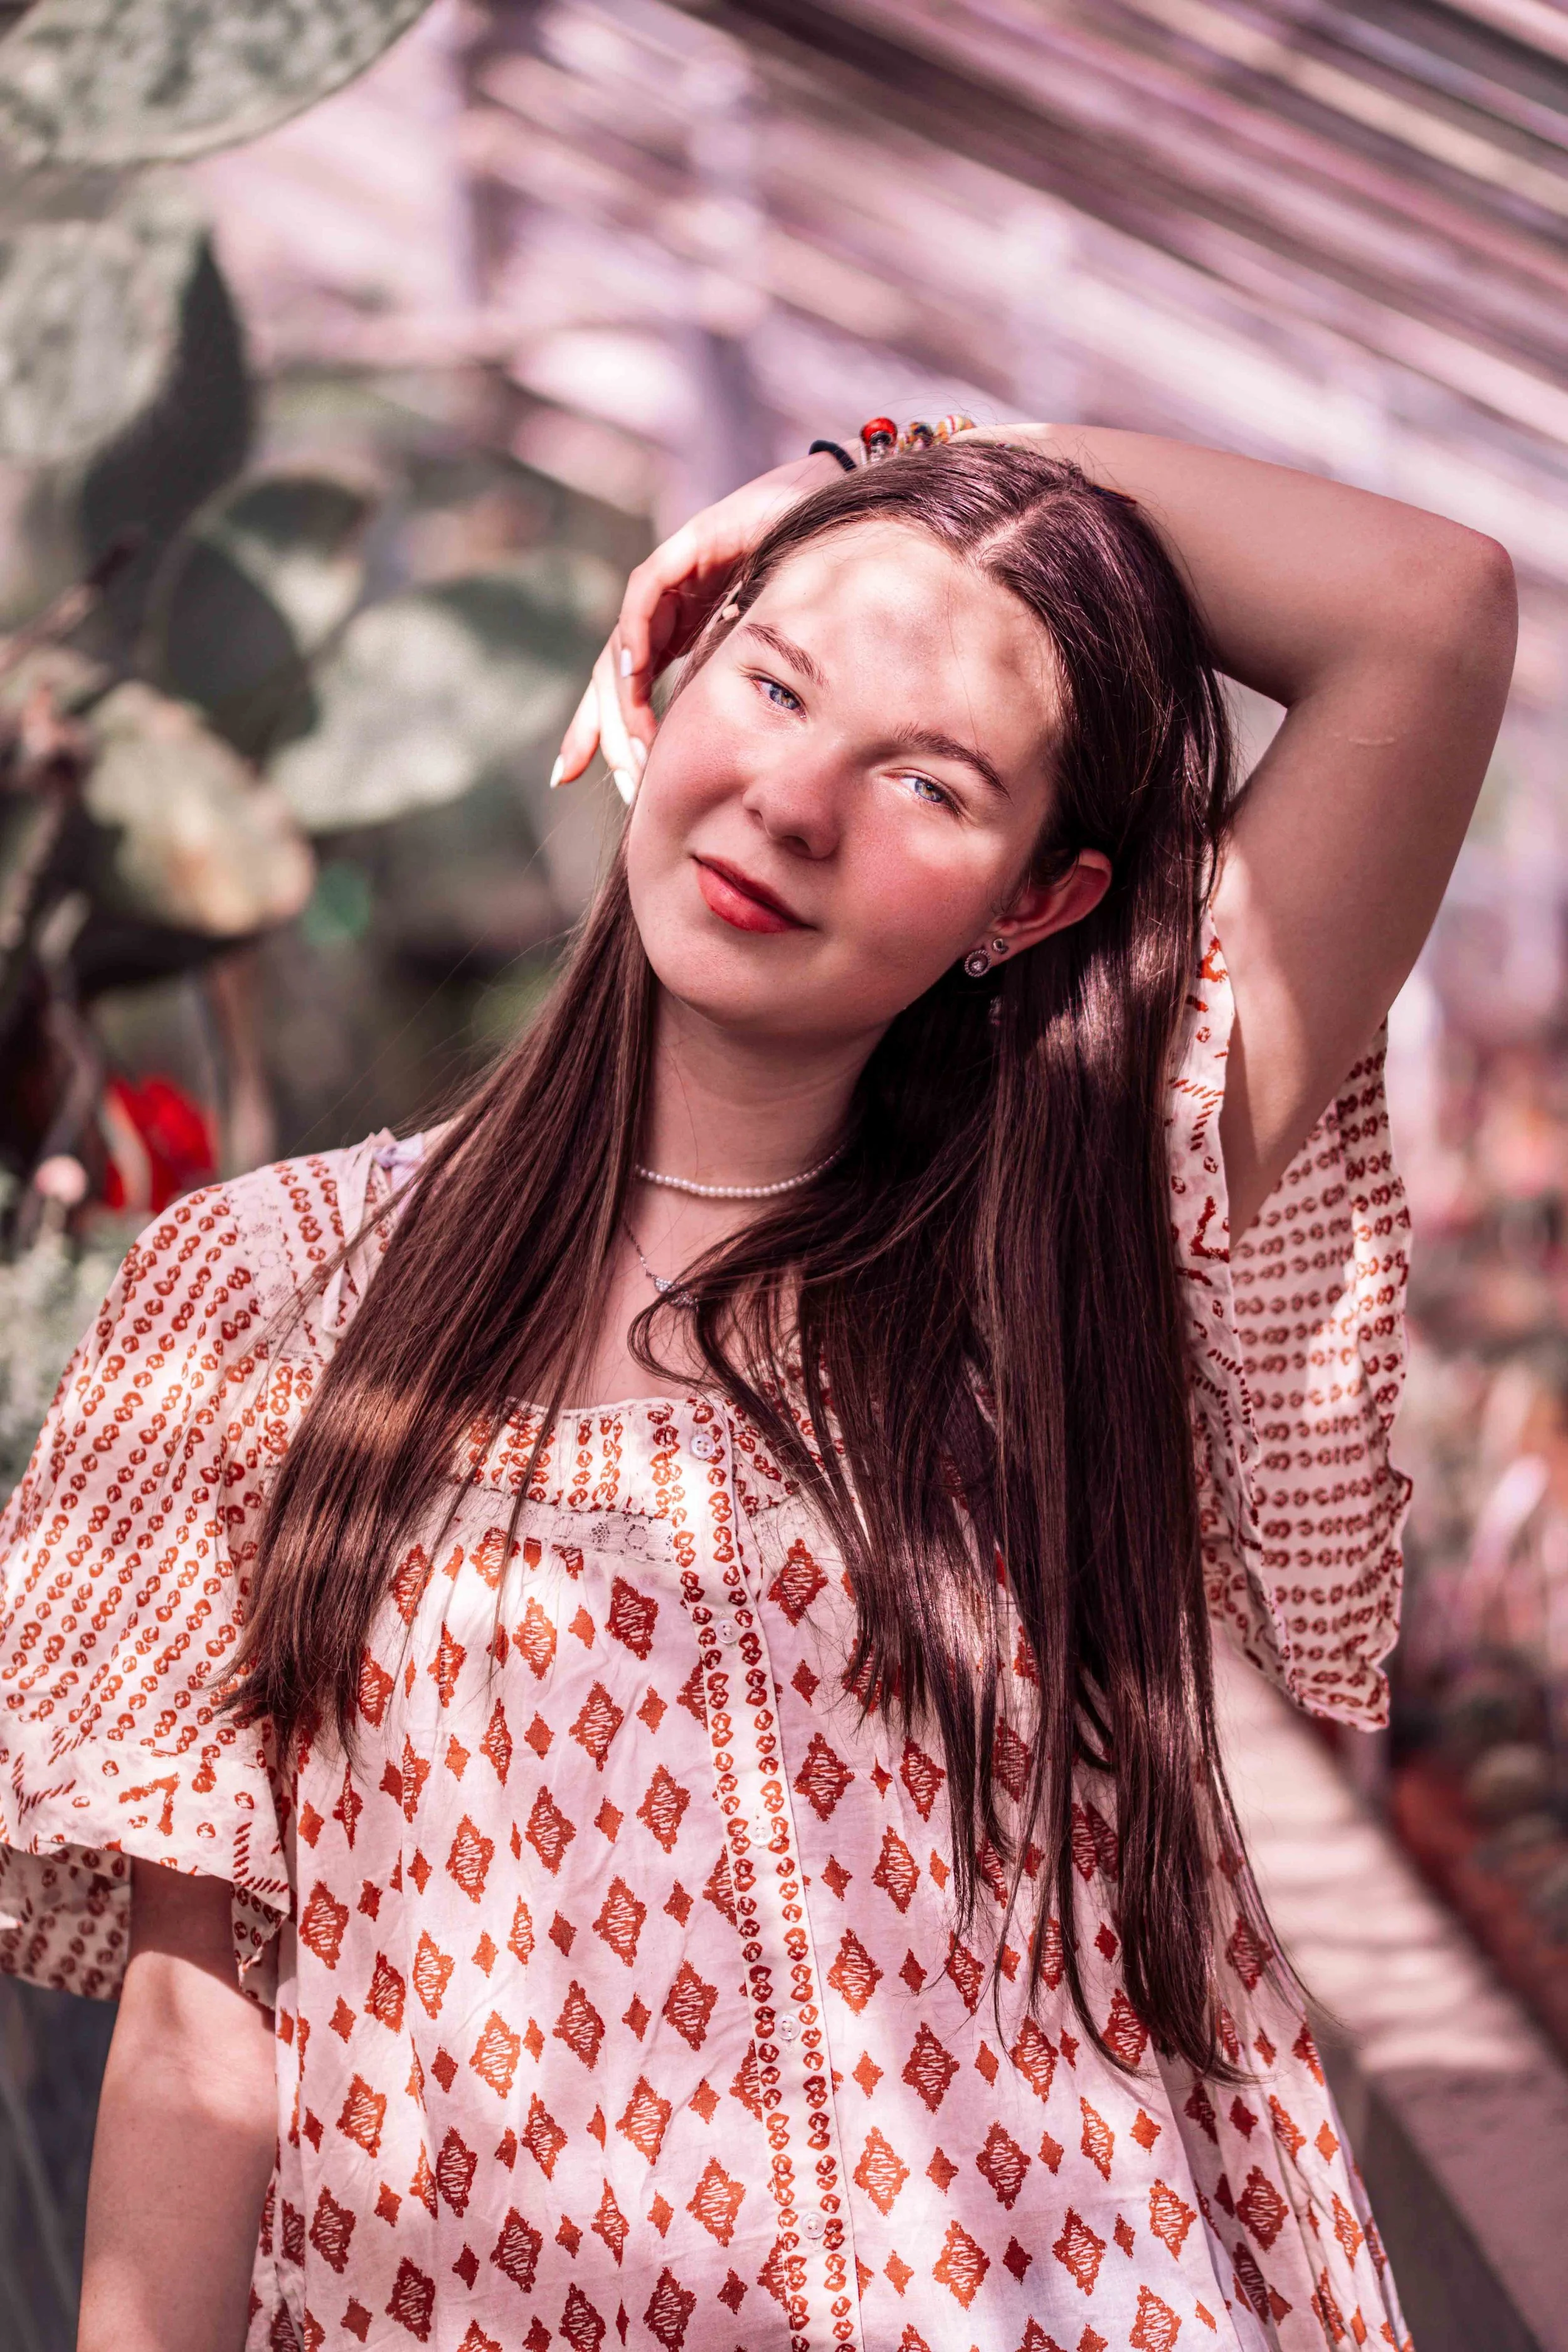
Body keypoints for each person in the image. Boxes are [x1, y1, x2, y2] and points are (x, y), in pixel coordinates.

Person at [0, 422, 1514, 2352]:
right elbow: (201, 2036)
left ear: (1028, 906)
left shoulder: (1071, 1230)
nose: (794, 799)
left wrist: (895, 467)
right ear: (673, 679)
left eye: (923, 781)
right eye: (776, 679)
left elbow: (1431, 614)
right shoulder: (258, 1296)